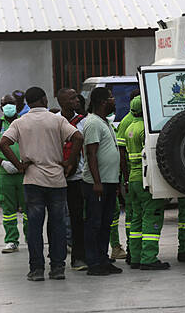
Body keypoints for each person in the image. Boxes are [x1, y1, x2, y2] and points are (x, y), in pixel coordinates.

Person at [0, 87, 83, 282]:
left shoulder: (20, 122)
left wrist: (19, 165)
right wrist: (70, 161)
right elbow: (78, 137)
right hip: (56, 179)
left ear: (28, 102)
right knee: (58, 225)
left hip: (32, 179)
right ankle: (57, 268)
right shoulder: (57, 119)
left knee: (35, 227)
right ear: (44, 99)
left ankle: (36, 270)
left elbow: (4, 143)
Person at [125, 96, 169, 270]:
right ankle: (149, 258)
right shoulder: (146, 128)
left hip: (133, 179)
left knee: (136, 218)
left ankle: (135, 257)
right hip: (146, 180)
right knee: (152, 216)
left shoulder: (130, 127)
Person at [82, 87, 122, 276]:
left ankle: (103, 259)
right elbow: (91, 153)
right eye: (112, 98)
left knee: (106, 222)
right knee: (94, 223)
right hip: (97, 184)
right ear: (103, 102)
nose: (114, 101)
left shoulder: (105, 122)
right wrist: (97, 182)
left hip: (109, 181)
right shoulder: (93, 123)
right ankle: (93, 262)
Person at [0, 94, 27, 254]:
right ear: (0, 107)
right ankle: (11, 240)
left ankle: (31, 238)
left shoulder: (24, 123)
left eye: (11, 103)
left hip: (25, 172)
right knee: (8, 210)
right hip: (5, 173)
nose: (9, 106)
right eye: (5, 104)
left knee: (28, 207)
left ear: (17, 106)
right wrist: (3, 162)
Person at [56, 88, 86, 271]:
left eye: (76, 97)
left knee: (77, 218)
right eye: (72, 98)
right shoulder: (54, 121)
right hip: (56, 177)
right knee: (57, 218)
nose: (76, 100)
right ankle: (57, 257)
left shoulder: (82, 122)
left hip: (77, 177)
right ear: (61, 102)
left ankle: (79, 257)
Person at [114, 89, 140, 264]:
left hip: (136, 176)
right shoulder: (127, 122)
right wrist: (125, 179)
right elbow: (121, 153)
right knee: (133, 215)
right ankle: (133, 248)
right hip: (132, 176)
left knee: (135, 215)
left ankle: (135, 249)